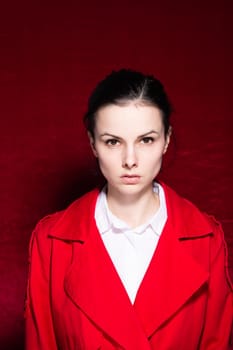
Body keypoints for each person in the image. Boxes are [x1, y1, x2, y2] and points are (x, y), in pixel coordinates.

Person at [25, 69, 233, 349]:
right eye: (113, 141)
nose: (130, 160)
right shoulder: (51, 241)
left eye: (146, 140)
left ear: (166, 140)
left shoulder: (207, 240)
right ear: (92, 143)